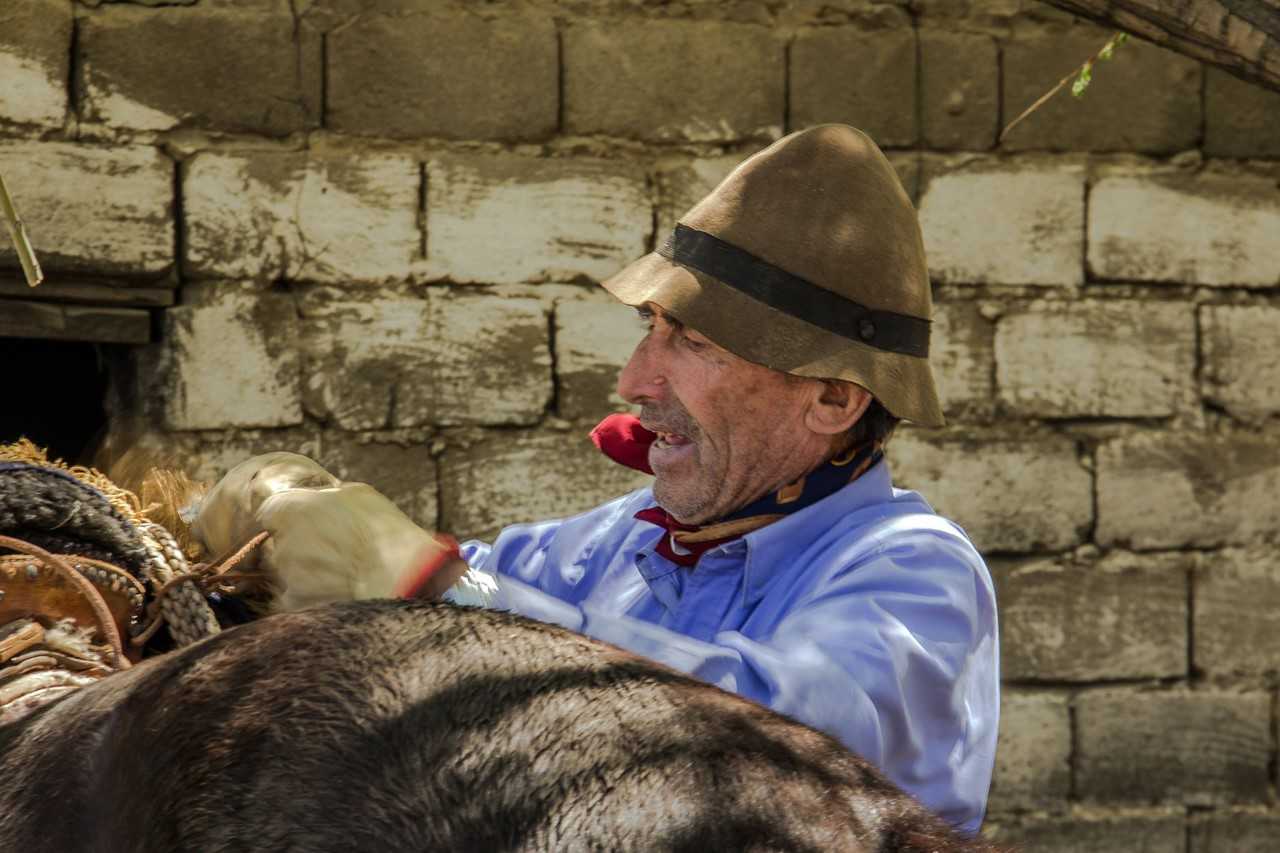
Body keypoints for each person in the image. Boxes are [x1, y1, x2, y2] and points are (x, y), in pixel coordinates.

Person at [456, 125, 999, 834]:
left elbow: (773, 741)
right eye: (650, 327)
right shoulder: (621, 539)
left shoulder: (918, 570)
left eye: (695, 341)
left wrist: (463, 598)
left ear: (833, 398)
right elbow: (455, 580)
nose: (633, 381)